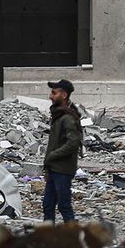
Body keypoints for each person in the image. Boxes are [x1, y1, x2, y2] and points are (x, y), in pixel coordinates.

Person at [40, 79, 82, 223]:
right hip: (54, 168)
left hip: (63, 169)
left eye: (54, 93)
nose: (50, 96)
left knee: (64, 206)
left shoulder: (68, 118)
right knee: (48, 205)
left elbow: (73, 143)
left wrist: (53, 155)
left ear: (64, 95)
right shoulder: (59, 115)